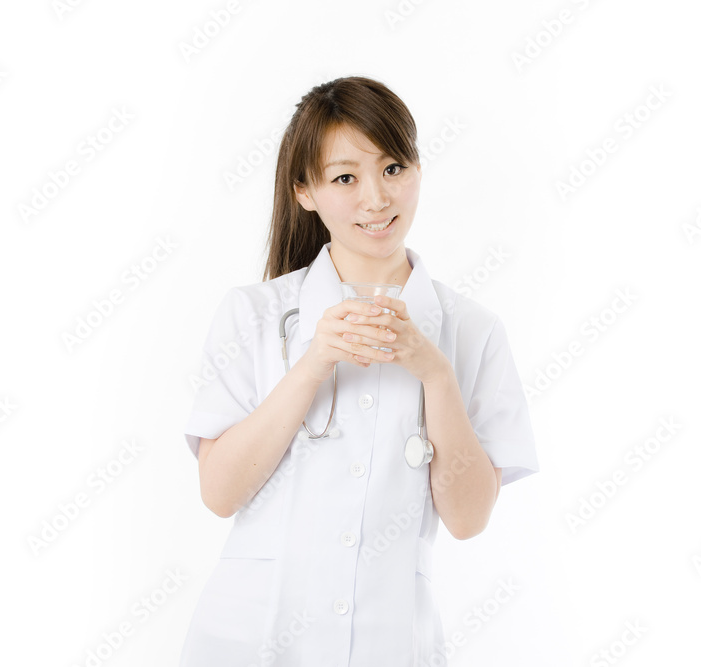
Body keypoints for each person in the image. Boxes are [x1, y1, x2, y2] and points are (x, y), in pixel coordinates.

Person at [180, 76, 538, 666]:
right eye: (345, 178)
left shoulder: (473, 331)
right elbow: (219, 494)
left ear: (418, 170)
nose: (376, 198)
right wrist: (312, 365)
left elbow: (469, 519)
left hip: (389, 643)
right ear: (304, 191)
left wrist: (436, 376)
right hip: (251, 640)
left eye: (393, 168)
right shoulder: (255, 315)